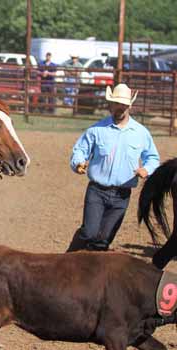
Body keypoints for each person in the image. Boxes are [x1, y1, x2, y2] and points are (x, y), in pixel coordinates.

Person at [67, 83, 160, 252]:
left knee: (103, 241)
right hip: (97, 190)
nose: (120, 107)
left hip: (122, 195)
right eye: (117, 103)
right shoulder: (96, 130)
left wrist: (146, 169)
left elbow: (153, 157)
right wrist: (78, 163)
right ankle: (67, 259)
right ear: (110, 104)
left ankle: (90, 274)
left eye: (124, 104)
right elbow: (80, 150)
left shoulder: (141, 133)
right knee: (89, 232)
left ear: (129, 105)